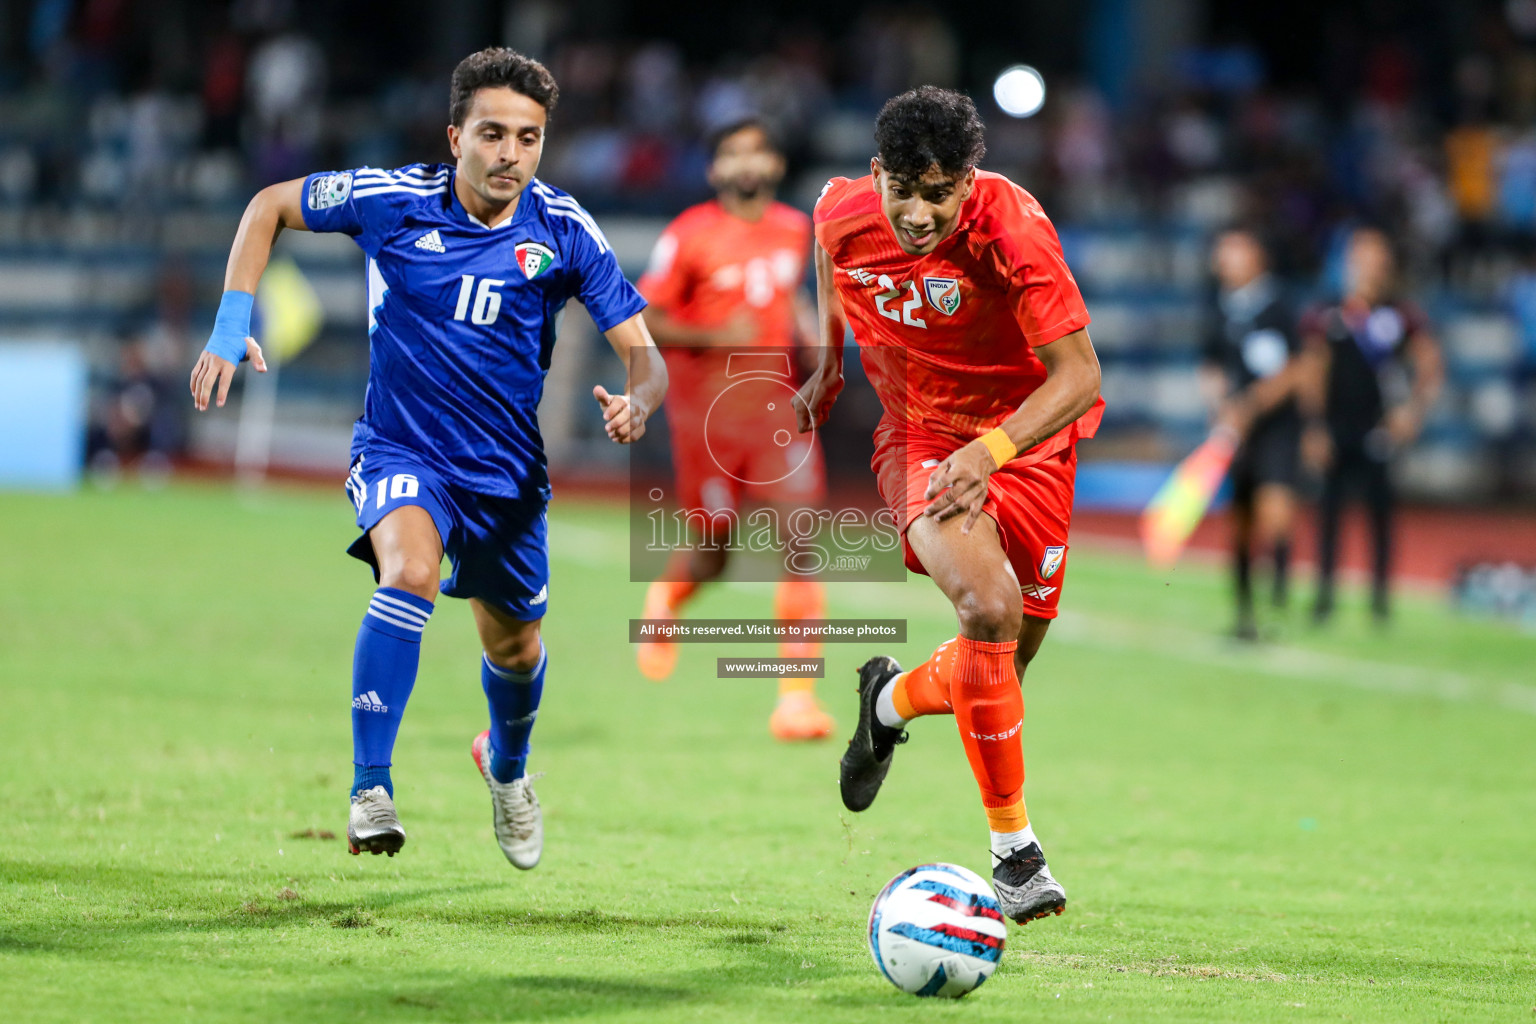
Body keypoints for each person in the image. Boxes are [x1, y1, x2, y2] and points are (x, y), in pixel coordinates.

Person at [187, 48, 667, 866]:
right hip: (401, 446)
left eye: (528, 137)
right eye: (492, 134)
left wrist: (639, 401)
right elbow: (269, 204)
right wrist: (231, 328)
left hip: (506, 478)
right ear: (456, 136)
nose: (509, 154)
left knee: (514, 649)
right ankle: (370, 788)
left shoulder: (563, 229)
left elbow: (645, 356)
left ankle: (507, 770)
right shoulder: (391, 200)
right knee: (407, 571)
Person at [796, 87, 1103, 924]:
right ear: (876, 175)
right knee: (989, 609)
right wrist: (829, 359)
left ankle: (887, 702)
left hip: (1026, 440)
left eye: (940, 192)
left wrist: (994, 449)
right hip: (921, 434)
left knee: (1003, 666)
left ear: (970, 181)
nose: (919, 212)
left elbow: (1081, 378)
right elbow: (828, 250)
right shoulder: (844, 210)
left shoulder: (1013, 228)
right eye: (903, 188)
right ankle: (1015, 854)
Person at [632, 117, 835, 740]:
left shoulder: (798, 231)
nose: (746, 165)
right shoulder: (689, 235)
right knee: (714, 554)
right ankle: (664, 604)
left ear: (776, 166)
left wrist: (806, 323)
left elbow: (792, 296)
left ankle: (795, 700)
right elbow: (646, 317)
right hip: (707, 416)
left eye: (758, 153)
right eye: (732, 155)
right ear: (714, 169)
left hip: (777, 412)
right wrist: (717, 336)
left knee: (801, 542)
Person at [1299, 227, 1442, 624]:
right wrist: (1313, 426)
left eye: (1376, 257)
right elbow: (1312, 371)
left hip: (1380, 428)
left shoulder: (1402, 314)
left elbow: (1430, 364)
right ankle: (1324, 595)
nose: (1369, 265)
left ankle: (1380, 599)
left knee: (1381, 513)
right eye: (1361, 257)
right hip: (1335, 424)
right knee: (1329, 512)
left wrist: (1413, 410)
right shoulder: (1328, 312)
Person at [1199, 227, 1303, 640]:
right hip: (1236, 432)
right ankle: (1245, 614)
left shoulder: (1278, 305)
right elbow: (1210, 365)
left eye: (1233, 253)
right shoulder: (1220, 309)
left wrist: (1251, 406)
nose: (1223, 262)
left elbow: (1296, 367)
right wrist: (1222, 407)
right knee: (1240, 523)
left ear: (1256, 257)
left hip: (1275, 429)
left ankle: (1278, 604)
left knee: (1275, 514)